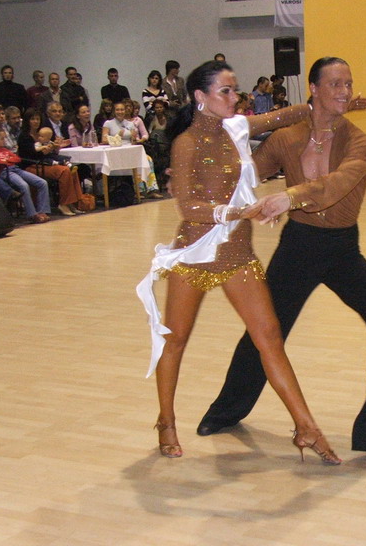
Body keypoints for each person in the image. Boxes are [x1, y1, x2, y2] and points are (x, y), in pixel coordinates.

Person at [196, 57, 366, 465]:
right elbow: (246, 173)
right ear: (313, 88)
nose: (345, 91)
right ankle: (225, 410)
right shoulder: (286, 138)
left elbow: (337, 184)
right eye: (335, 84)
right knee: (265, 330)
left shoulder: (361, 142)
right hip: (299, 247)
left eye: (348, 84)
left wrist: (289, 197)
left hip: (343, 249)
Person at [136, 60, 341, 464]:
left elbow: (285, 115)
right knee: (175, 340)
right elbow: (187, 206)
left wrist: (330, 101)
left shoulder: (236, 128)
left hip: (237, 254)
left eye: (235, 89)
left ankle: (306, 427)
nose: (235, 97)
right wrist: (236, 213)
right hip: (196, 254)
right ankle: (166, 421)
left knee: (270, 337)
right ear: (201, 96)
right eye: (225, 91)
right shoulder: (187, 143)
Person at [18, 121, 85, 216]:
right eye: (32, 119)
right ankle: (63, 203)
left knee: (72, 170)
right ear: (27, 120)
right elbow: (32, 154)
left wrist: (56, 146)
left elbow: (53, 151)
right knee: (65, 171)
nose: (36, 121)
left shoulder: (45, 133)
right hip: (33, 165)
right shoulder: (25, 137)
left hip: (47, 162)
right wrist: (44, 150)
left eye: (37, 119)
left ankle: (74, 203)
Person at [0, 128, 51, 223]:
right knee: (23, 185)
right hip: (5, 171)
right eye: (2, 139)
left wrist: (7, 160)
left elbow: (17, 159)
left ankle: (43, 211)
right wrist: (9, 160)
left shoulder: (5, 149)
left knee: (42, 182)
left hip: (16, 169)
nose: (4, 141)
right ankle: (32, 214)